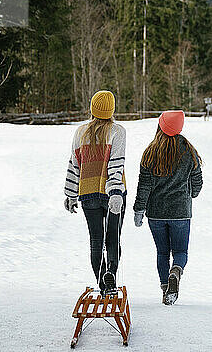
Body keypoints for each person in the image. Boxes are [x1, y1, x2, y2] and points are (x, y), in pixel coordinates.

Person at [133, 110, 203, 305]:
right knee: (180, 252)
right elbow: (197, 181)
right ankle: (176, 272)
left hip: (156, 213)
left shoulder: (150, 152)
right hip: (181, 212)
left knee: (162, 253)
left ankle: (166, 289)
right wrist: (191, 194)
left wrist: (139, 209)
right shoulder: (189, 151)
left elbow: (144, 186)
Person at [64, 90, 127, 295]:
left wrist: (71, 194)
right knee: (113, 239)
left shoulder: (80, 132)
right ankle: (111, 275)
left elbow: (74, 164)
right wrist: (116, 192)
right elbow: (116, 165)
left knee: (96, 240)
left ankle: (103, 284)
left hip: (88, 192)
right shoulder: (117, 131)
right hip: (112, 195)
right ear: (111, 110)